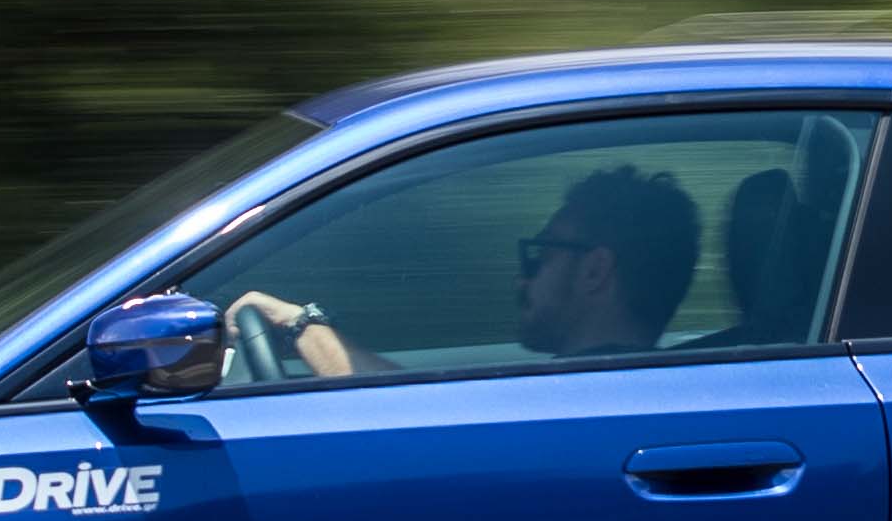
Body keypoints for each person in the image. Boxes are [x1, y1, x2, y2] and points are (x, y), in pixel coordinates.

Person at [232, 160, 701, 383]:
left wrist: (298, 325)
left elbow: (408, 418)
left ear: (596, 270)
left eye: (539, 257)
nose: (522, 279)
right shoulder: (616, 384)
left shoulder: (586, 396)